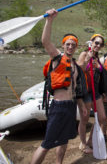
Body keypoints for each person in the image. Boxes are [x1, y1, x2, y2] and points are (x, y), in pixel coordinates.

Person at [31, 9, 88, 164]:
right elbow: (45, 41)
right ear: (63, 45)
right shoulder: (57, 58)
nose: (70, 47)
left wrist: (81, 106)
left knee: (64, 141)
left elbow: (76, 90)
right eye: (68, 44)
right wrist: (49, 20)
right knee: (46, 144)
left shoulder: (75, 66)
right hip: (58, 107)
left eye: (73, 45)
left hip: (70, 106)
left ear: (76, 47)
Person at [77, 34, 107, 153]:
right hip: (86, 92)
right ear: (91, 42)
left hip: (96, 91)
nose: (98, 46)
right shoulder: (85, 54)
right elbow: (79, 69)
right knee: (84, 119)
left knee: (102, 118)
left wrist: (103, 91)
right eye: (96, 43)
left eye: (100, 44)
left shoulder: (97, 58)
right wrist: (87, 59)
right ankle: (83, 144)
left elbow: (100, 76)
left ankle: (90, 141)